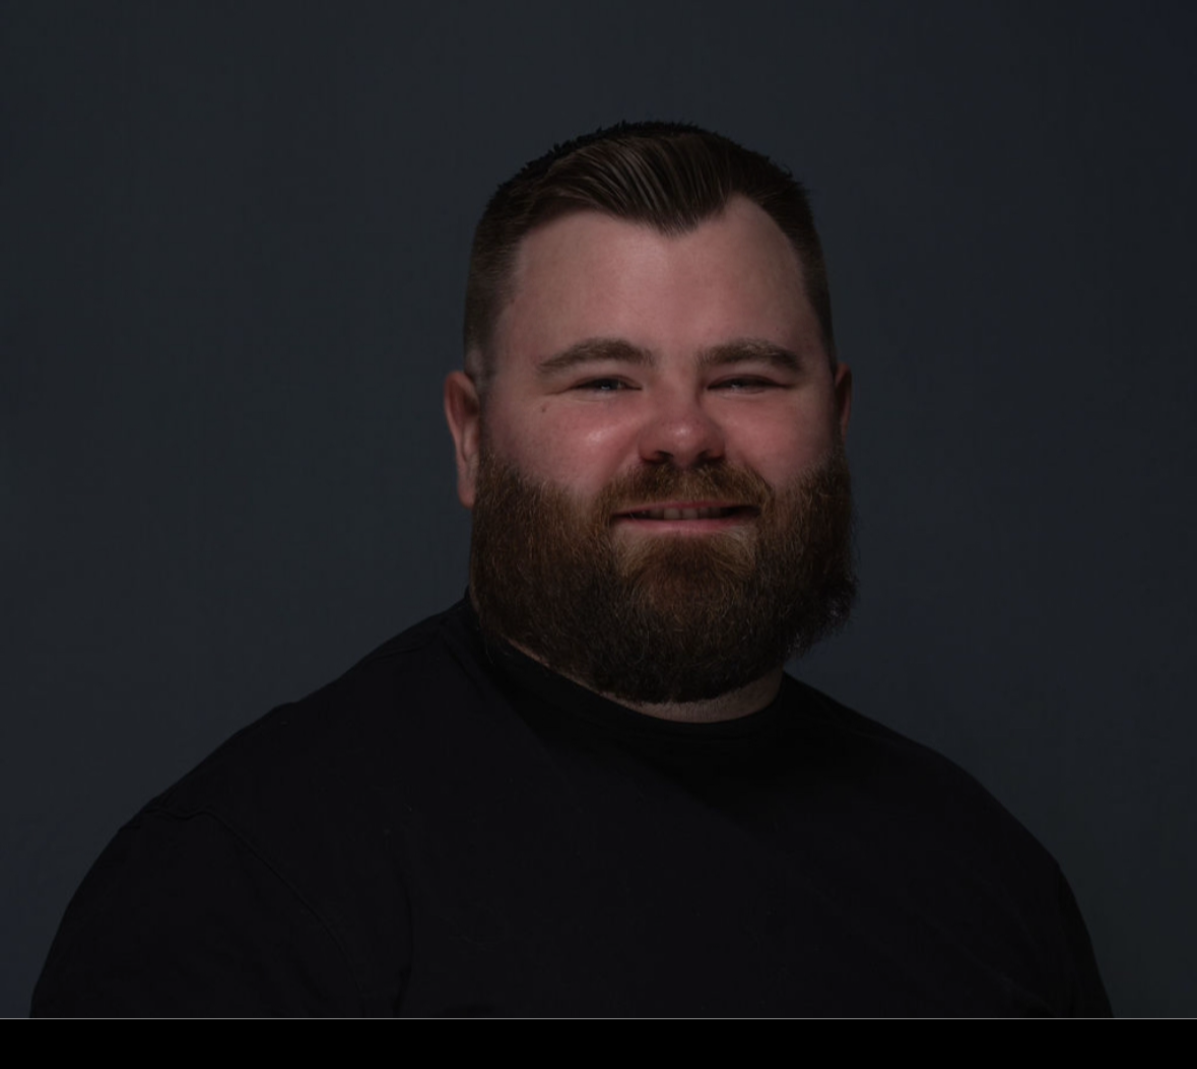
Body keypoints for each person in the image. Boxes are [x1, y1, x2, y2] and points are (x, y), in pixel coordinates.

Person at [33, 122, 1110, 1017]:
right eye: (602, 381)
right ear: (470, 438)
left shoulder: (983, 878)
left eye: (744, 376)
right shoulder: (242, 890)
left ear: (835, 419)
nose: (683, 436)